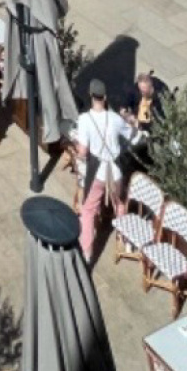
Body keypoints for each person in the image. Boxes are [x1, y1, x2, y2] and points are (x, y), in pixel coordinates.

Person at [72, 81, 132, 264]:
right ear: (105, 98)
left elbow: (83, 151)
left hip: (97, 172)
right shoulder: (115, 118)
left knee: (88, 210)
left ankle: (87, 253)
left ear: (91, 96)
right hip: (115, 171)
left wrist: (77, 152)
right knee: (119, 204)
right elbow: (132, 135)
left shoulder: (84, 119)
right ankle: (125, 240)